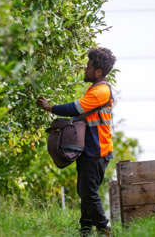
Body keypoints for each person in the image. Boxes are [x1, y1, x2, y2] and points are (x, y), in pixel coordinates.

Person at [37, 47, 116, 237]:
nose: (85, 69)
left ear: (98, 72)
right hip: (90, 149)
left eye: (88, 67)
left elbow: (76, 108)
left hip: (98, 150)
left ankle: (104, 229)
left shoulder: (101, 91)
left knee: (87, 192)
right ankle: (85, 231)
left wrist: (50, 108)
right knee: (86, 192)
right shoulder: (96, 89)